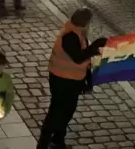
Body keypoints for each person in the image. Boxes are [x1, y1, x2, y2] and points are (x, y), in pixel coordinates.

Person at [37, 8, 107, 149]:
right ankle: (43, 143)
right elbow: (78, 57)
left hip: (73, 80)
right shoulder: (69, 35)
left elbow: (84, 60)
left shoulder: (78, 33)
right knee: (56, 111)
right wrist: (95, 46)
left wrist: (88, 80)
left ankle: (58, 139)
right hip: (60, 80)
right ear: (85, 22)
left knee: (68, 110)